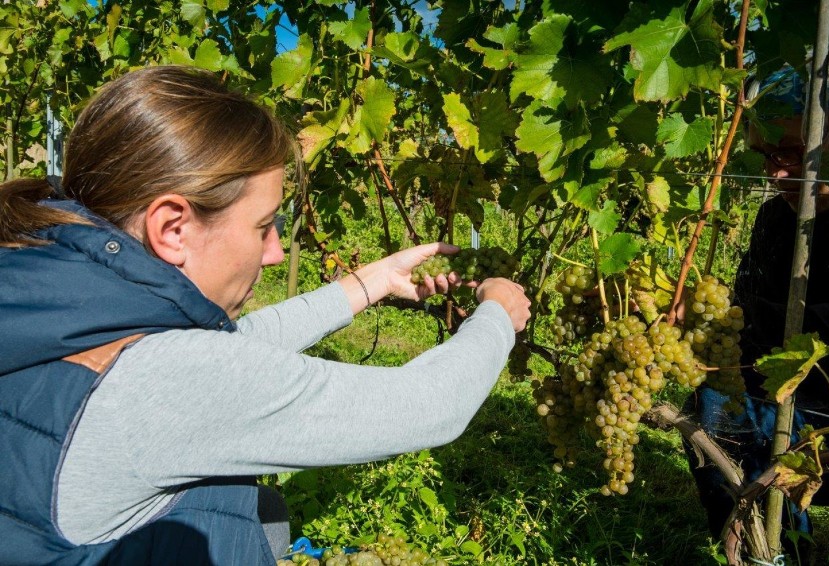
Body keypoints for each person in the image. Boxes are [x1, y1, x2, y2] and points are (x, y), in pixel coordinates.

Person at [0, 65, 531, 565]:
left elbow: (225, 352)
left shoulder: (46, 292)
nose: (276, 251)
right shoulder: (172, 381)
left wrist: (368, 284)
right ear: (173, 229)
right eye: (263, 226)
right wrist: (497, 315)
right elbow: (428, 407)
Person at [684, 49, 829, 555]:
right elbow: (748, 328)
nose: (775, 176)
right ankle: (771, 546)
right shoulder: (778, 221)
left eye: (792, 153)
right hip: (799, 405)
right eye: (766, 158)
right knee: (717, 402)